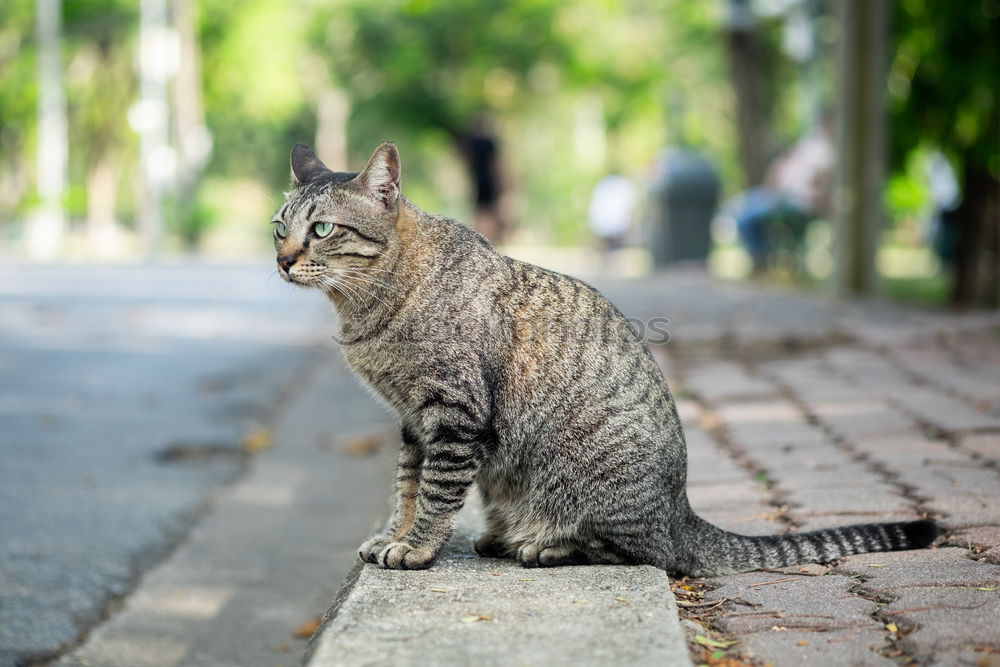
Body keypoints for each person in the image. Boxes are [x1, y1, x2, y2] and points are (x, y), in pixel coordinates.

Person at [588, 174, 637, 262]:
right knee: (611, 239)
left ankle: (609, 256)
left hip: (611, 220)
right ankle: (609, 256)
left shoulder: (605, 184)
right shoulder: (621, 184)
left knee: (611, 239)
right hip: (612, 220)